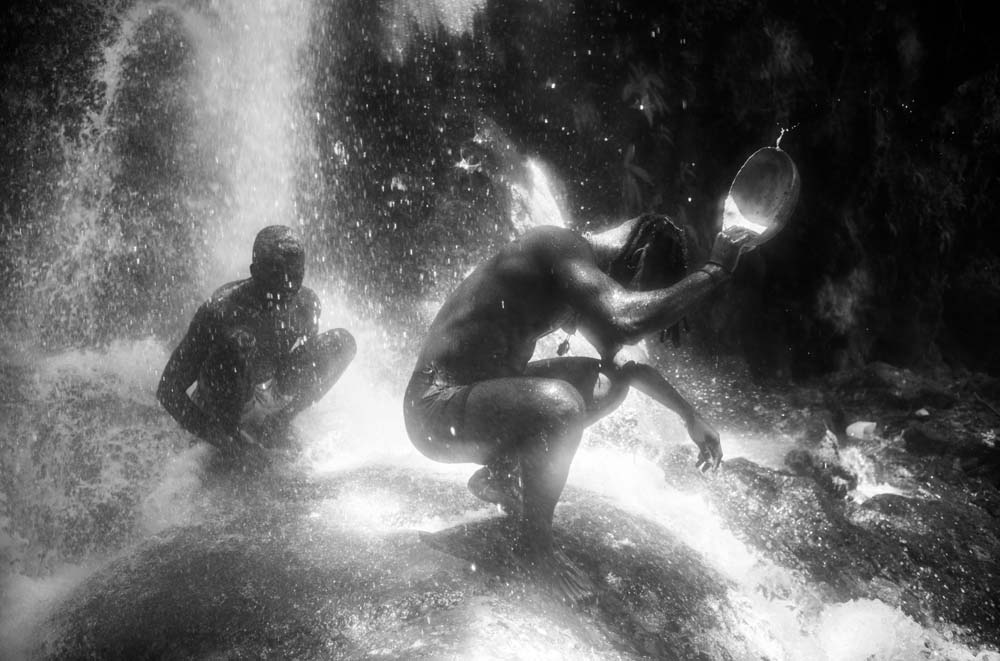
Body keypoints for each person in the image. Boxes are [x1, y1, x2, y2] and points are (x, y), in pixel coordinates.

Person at [403, 213, 755, 602]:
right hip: (435, 407)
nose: (619, 290)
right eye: (633, 285)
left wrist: (689, 415)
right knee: (561, 406)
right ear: (637, 254)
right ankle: (534, 550)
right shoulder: (558, 246)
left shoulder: (570, 275)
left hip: (474, 401)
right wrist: (716, 270)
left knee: (605, 383)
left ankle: (501, 475)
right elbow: (625, 319)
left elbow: (624, 363)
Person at [158, 225, 356, 456]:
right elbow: (168, 390)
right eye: (277, 275)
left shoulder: (306, 305)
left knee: (342, 343)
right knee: (238, 342)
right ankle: (232, 434)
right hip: (218, 401)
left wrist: (284, 409)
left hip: (261, 389)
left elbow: (303, 362)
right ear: (255, 271)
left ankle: (278, 422)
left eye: (295, 275)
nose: (288, 284)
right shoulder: (221, 311)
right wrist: (216, 435)